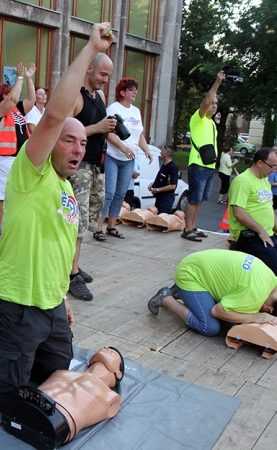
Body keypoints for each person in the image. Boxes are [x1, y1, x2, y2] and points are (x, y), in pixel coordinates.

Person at [0, 22, 114, 411]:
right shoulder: (30, 171)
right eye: (69, 140)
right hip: (16, 304)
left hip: (50, 306)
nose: (78, 149)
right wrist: (89, 49)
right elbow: (53, 116)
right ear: (49, 144)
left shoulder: (67, 187)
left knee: (51, 377)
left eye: (83, 142)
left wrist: (63, 296)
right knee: (6, 395)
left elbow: (60, 247)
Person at [147, 250, 277, 337]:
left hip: (199, 264)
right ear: (269, 310)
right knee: (210, 327)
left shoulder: (272, 281)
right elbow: (217, 311)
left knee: (232, 313)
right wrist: (254, 317)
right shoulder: (255, 297)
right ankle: (167, 299)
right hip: (190, 273)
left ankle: (182, 292)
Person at [66, 52, 117, 301]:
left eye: (108, 75)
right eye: (102, 74)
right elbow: (64, 132)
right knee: (78, 223)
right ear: (89, 69)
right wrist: (97, 128)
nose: (105, 79)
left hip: (98, 166)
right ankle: (71, 274)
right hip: (80, 167)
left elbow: (103, 128)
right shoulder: (76, 97)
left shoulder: (101, 97)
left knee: (89, 221)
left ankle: (72, 265)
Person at [93, 77, 152, 241]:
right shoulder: (113, 108)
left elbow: (139, 135)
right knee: (109, 193)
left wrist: (146, 150)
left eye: (136, 90)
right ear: (122, 92)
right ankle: (98, 228)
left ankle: (111, 227)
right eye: (132, 90)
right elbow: (108, 132)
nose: (135, 93)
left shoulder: (136, 111)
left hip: (129, 160)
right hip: (113, 156)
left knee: (121, 193)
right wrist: (123, 147)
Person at [0, 61, 36, 239]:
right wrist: (19, 77)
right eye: (7, 93)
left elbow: (31, 100)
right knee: (0, 194)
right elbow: (14, 99)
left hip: (18, 157)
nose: (11, 95)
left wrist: (28, 79)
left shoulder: (15, 110)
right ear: (1, 96)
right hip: (1, 158)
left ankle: (14, 223)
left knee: (18, 192)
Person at [228, 148, 277, 276]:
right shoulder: (243, 181)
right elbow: (238, 212)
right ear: (260, 163)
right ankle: (240, 248)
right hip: (250, 233)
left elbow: (269, 209)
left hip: (268, 232)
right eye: (272, 166)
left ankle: (251, 252)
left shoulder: (265, 180)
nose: (274, 170)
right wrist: (260, 230)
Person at [182, 71, 226, 242]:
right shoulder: (198, 118)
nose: (214, 105)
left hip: (208, 166)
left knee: (200, 200)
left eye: (216, 103)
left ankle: (193, 227)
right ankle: (187, 229)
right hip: (198, 165)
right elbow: (207, 101)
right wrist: (217, 83)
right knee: (193, 198)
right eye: (212, 103)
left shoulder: (212, 123)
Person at [148, 145, 178, 214]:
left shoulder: (172, 167)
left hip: (166, 198)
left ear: (166, 154)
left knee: (163, 219)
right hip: (159, 197)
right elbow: (162, 180)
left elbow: (173, 186)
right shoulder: (164, 165)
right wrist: (153, 185)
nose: (160, 153)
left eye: (161, 151)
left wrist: (158, 190)